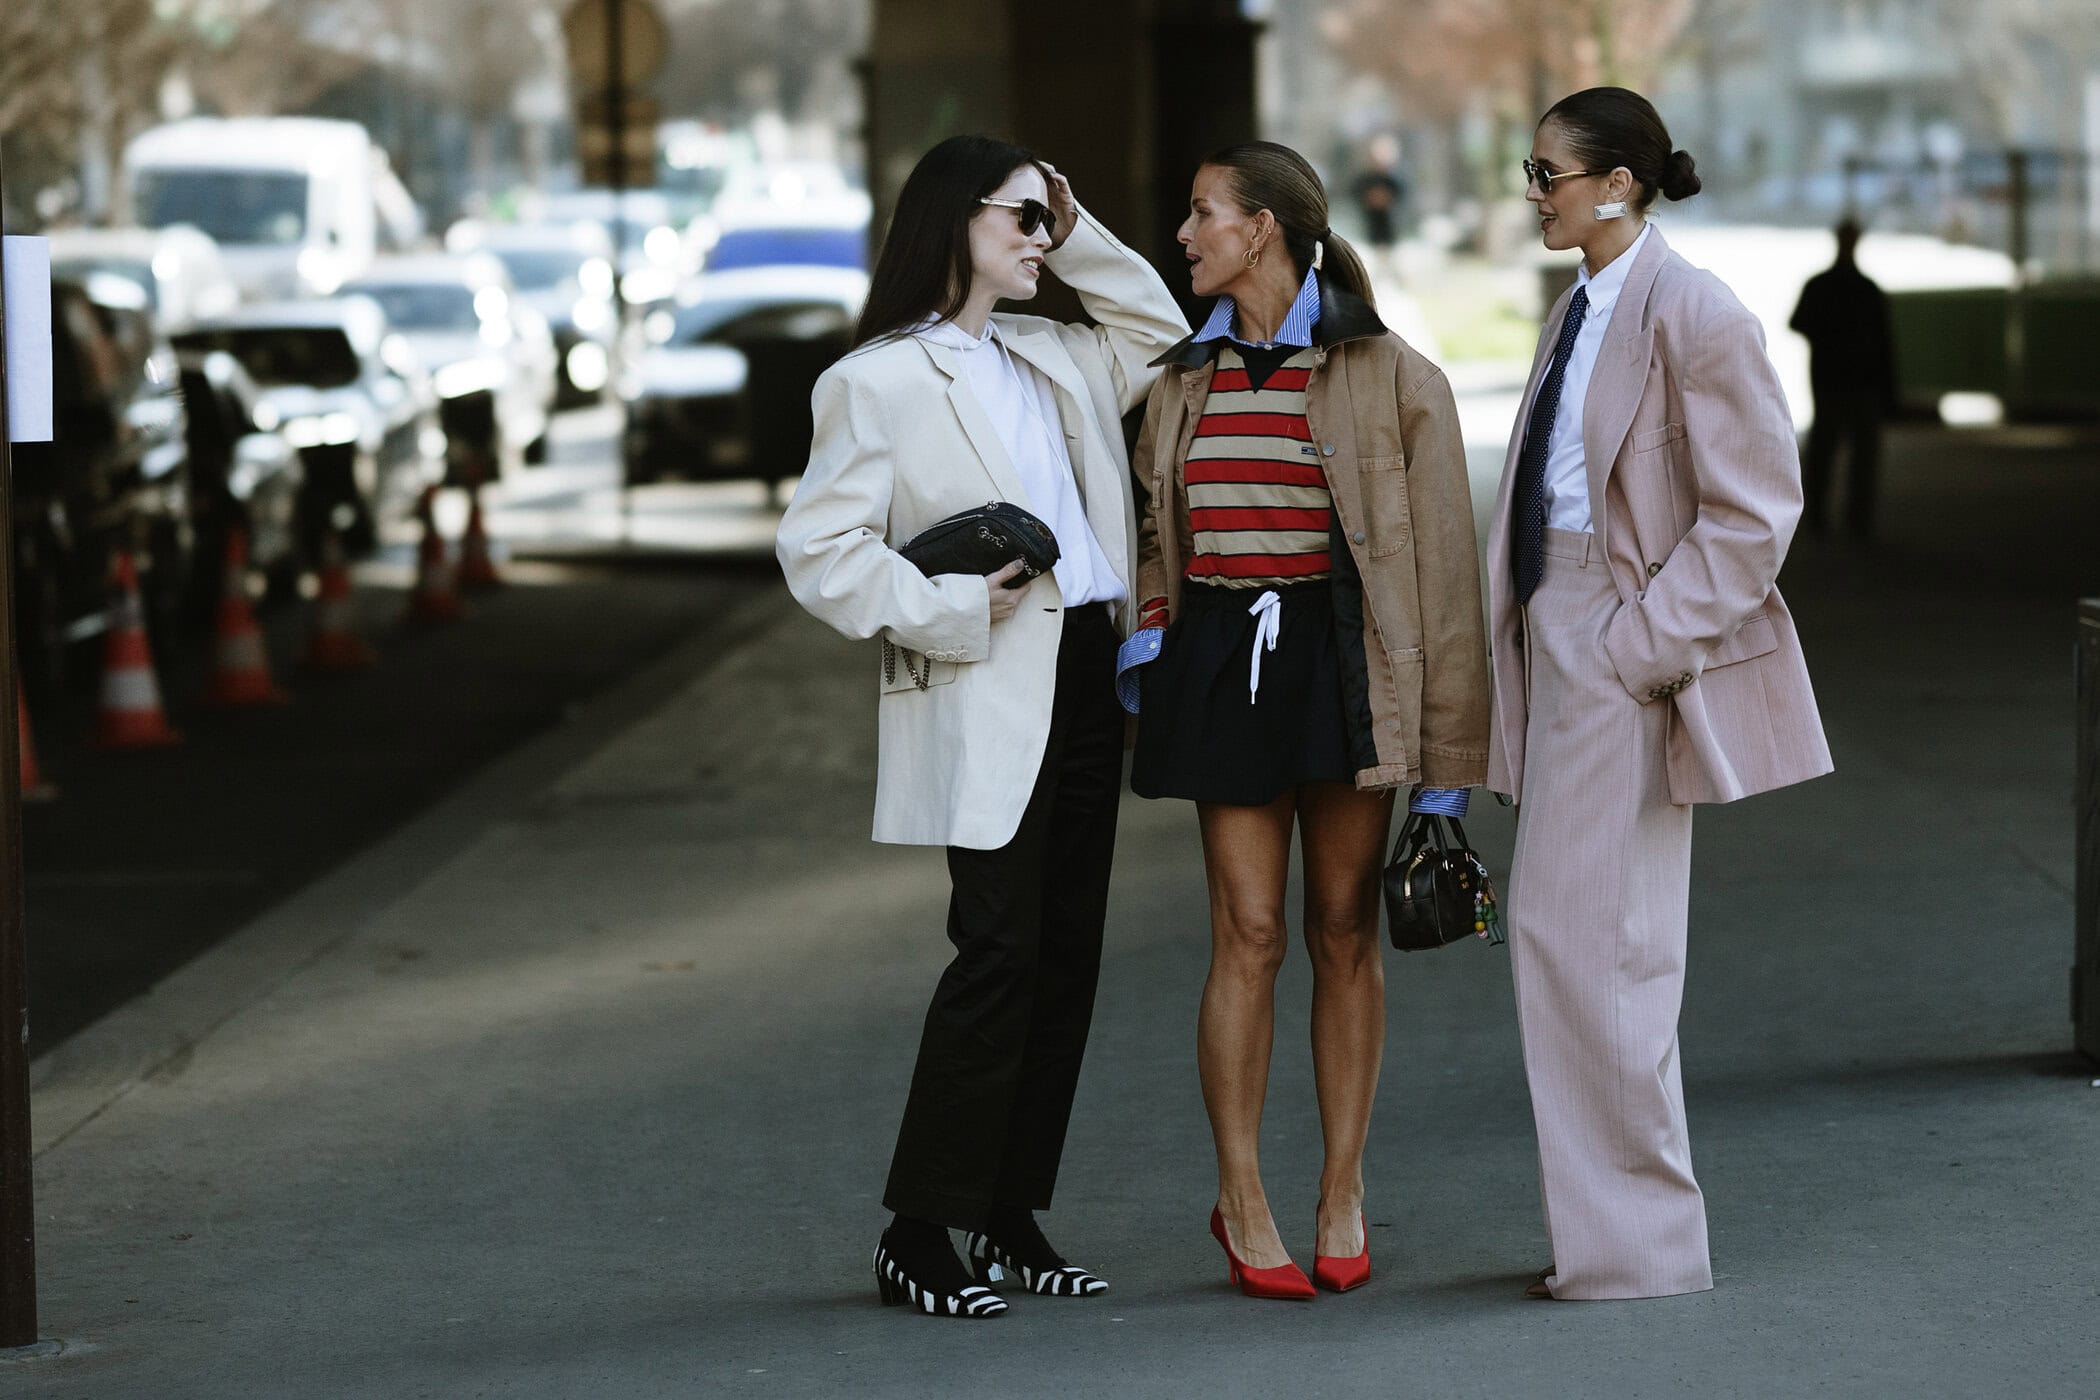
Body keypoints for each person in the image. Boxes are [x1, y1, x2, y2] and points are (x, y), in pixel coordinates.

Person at [775, 135, 1185, 1319]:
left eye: (1043, 221)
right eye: (1016, 216)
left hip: (1090, 671)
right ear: (953, 220)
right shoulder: (879, 379)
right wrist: (950, 604)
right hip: (988, 673)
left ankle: (1007, 1214)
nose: (1037, 239)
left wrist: (1074, 208)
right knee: (998, 952)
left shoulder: (1056, 352)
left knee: (1065, 957)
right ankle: (917, 1226)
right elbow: (819, 552)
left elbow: (1158, 327)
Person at [1123, 141, 1489, 1299]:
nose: (1183, 235)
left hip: (1347, 663)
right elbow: (1151, 536)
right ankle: (1242, 1196)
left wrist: (1444, 765)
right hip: (1225, 661)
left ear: (1265, 228)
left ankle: (1342, 1185)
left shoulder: (1396, 377)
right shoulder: (1182, 379)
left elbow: (1445, 582)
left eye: (1202, 214)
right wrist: (1151, 646)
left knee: (1342, 929)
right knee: (1250, 933)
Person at [1487, 88, 1834, 1300]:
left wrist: (1639, 647)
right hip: (1561, 628)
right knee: (1573, 938)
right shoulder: (1584, 303)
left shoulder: (1696, 309)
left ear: (1618, 182)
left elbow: (1754, 516)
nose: (1533, 193)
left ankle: (1635, 1247)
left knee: (1600, 942)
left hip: (1614, 639)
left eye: (1547, 174)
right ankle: (1616, 1238)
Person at [1789, 218, 1895, 538]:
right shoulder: (1867, 290)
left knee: (1826, 450)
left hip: (1830, 380)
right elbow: (1885, 344)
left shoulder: (1822, 286)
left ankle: (1820, 518)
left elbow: (1799, 323)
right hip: (1857, 382)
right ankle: (1853, 520)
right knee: (1856, 455)